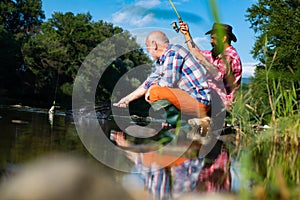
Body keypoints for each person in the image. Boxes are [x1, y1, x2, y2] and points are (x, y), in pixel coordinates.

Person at [114, 30, 211, 122]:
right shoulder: (163, 61)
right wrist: (126, 100)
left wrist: (152, 88)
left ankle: (175, 121)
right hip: (193, 99)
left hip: (200, 101)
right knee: (153, 89)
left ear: (154, 45)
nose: (147, 51)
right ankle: (178, 120)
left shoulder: (173, 52)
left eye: (147, 47)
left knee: (155, 91)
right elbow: (147, 84)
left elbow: (167, 83)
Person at [180, 22, 242, 111]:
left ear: (223, 38)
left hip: (221, 103)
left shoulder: (229, 56)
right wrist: (187, 34)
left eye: (213, 38)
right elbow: (196, 53)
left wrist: (203, 61)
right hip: (211, 99)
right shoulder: (215, 54)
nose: (210, 41)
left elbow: (218, 75)